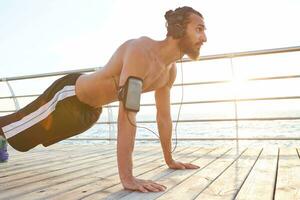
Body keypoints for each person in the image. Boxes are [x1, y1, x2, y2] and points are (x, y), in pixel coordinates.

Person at [0, 6, 207, 192]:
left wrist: (169, 159)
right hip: (68, 96)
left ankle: (3, 140)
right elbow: (128, 114)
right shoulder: (141, 52)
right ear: (179, 28)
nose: (204, 37)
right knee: (13, 127)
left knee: (26, 139)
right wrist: (128, 178)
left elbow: (164, 118)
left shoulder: (169, 72)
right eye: (199, 29)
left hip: (90, 114)